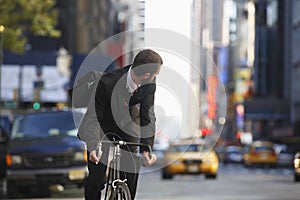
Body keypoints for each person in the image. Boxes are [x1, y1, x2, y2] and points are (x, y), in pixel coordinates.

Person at [80, 49, 163, 200]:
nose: (155, 78)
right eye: (155, 75)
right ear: (146, 75)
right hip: (102, 127)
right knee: (96, 179)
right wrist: (93, 147)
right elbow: (93, 117)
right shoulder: (107, 82)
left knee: (131, 170)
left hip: (128, 125)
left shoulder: (150, 84)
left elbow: (148, 115)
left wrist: (146, 148)